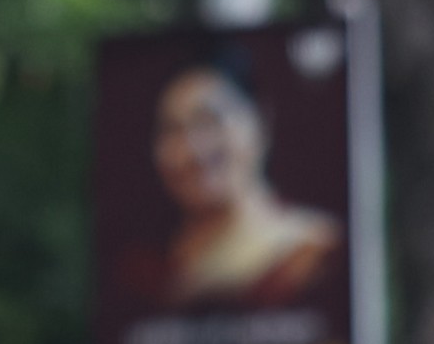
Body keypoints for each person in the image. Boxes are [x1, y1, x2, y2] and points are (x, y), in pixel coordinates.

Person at [139, 53, 340, 309]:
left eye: (209, 121)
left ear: (260, 121)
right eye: (172, 129)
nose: (191, 149)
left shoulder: (311, 252)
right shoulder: (148, 272)